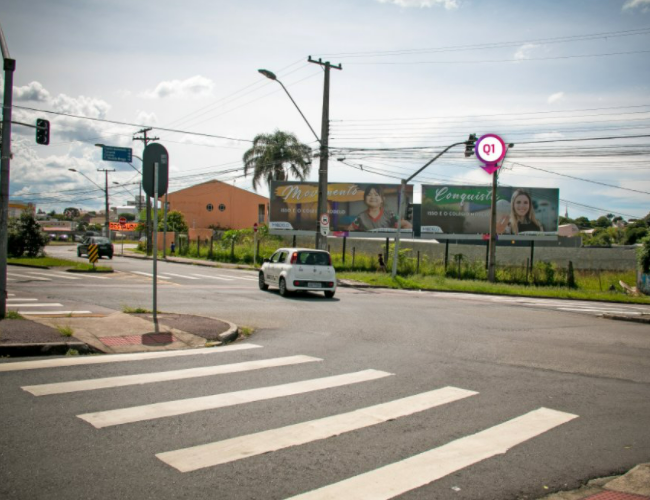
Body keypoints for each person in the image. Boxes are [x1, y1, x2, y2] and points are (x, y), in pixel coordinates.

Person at [348, 185, 413, 232]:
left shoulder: (389, 215)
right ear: (365, 199)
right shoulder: (361, 217)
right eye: (369, 194)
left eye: (376, 195)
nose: (372, 197)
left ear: (382, 199)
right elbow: (349, 230)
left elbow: (408, 225)